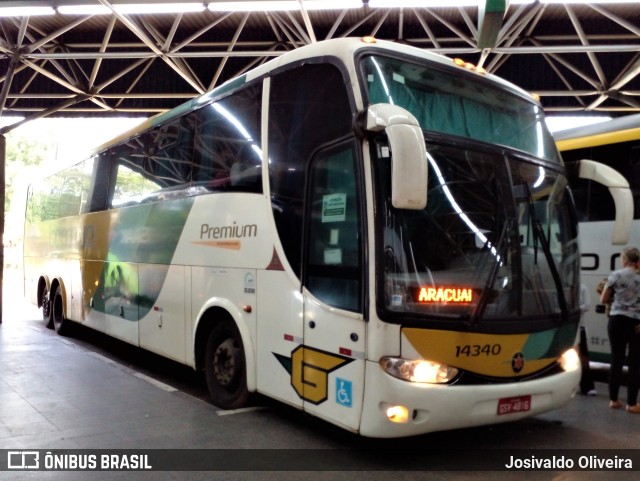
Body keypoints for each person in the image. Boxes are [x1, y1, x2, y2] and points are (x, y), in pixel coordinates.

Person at [600, 246, 640, 413]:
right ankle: (631, 404)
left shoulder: (616, 275)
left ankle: (614, 400)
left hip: (616, 320)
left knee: (616, 360)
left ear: (624, 260)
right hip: (635, 324)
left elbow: (603, 299)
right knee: (635, 363)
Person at [578, 283, 597, 395]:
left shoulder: (582, 287)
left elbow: (587, 305)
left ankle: (587, 387)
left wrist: (574, 310)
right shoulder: (562, 288)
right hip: (564, 327)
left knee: (583, 357)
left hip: (579, 327)